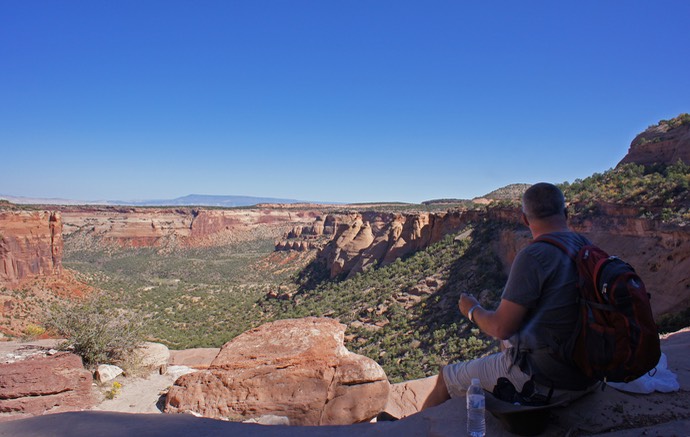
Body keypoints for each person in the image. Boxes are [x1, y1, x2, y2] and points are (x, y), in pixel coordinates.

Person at [423, 182, 598, 408]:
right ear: (566, 213)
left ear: (524, 219)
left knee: (445, 378)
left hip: (549, 381)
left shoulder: (534, 255)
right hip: (589, 371)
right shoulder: (586, 246)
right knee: (506, 344)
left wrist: (472, 310)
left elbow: (500, 327)